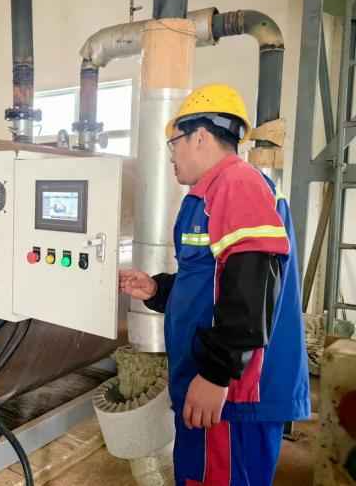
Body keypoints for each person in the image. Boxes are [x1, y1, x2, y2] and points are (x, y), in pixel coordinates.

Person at [119, 84, 310, 485]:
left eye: (174, 143)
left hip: (234, 396)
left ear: (201, 137)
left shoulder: (235, 184)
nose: (171, 155)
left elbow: (253, 279)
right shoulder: (212, 193)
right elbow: (214, 281)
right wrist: (158, 290)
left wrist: (216, 375)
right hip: (219, 390)